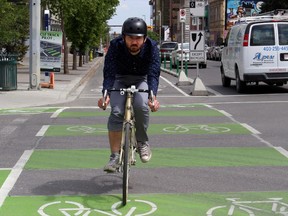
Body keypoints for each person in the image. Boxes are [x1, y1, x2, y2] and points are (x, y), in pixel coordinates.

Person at [98, 17, 161, 172]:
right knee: (117, 111)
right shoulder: (115, 46)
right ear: (123, 37)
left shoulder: (152, 47)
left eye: (138, 39)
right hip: (119, 79)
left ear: (145, 39)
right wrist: (105, 93)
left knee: (141, 105)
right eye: (130, 38)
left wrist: (153, 97)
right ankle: (114, 157)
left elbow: (153, 74)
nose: (134, 42)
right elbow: (110, 73)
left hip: (141, 79)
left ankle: (142, 142)